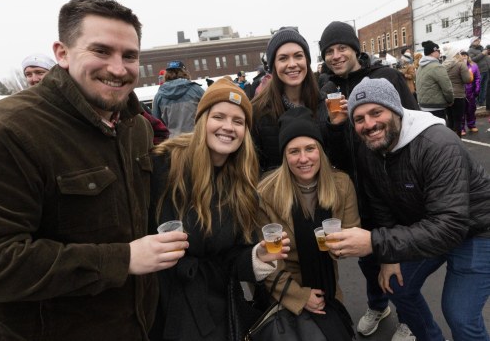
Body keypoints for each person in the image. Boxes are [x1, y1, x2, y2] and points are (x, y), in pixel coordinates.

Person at [0, 0, 190, 340]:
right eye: (101, 51)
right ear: (62, 53)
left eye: (129, 56)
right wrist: (122, 259)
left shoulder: (135, 127)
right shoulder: (8, 131)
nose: (118, 68)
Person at [328, 77, 490, 341]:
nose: (369, 124)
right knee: (395, 285)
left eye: (376, 112)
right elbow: (381, 205)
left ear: (395, 109)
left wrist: (374, 242)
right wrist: (388, 258)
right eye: (359, 119)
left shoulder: (438, 144)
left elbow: (450, 226)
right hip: (429, 226)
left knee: (461, 315)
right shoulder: (370, 149)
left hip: (476, 230)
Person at [148, 77, 290, 341]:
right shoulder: (165, 166)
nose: (228, 127)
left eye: (238, 121)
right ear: (203, 120)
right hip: (164, 305)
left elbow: (231, 258)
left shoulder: (243, 186)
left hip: (215, 308)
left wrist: (256, 256)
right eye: (219, 117)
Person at [318, 20, 418, 340]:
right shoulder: (325, 89)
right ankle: (379, 304)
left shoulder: (384, 77)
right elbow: (331, 150)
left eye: (342, 48)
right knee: (368, 257)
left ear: (355, 49)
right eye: (329, 51)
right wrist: (333, 126)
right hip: (355, 192)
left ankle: (410, 317)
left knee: (400, 255)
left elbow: (412, 123)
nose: (336, 55)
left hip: (391, 185)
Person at [258, 107, 360, 340]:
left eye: (310, 148)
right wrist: (299, 296)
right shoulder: (266, 193)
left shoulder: (342, 184)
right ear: (284, 156)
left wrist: (341, 244)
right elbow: (266, 261)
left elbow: (353, 232)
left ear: (321, 151)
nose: (303, 159)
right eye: (294, 151)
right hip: (284, 290)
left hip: (328, 287)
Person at [251, 26, 347, 174]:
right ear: (273, 66)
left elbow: (338, 161)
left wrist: (337, 127)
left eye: (298, 56)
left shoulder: (325, 105)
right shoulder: (258, 112)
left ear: (307, 61)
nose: (292, 64)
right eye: (283, 58)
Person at [152, 60, 204, 138]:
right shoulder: (197, 90)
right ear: (184, 72)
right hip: (196, 139)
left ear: (166, 75)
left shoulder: (159, 96)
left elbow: (156, 123)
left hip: (172, 143)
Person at [416, 40, 454, 121]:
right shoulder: (437, 67)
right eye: (438, 51)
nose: (440, 53)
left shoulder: (420, 67)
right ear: (433, 52)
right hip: (436, 107)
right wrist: (450, 100)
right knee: (439, 132)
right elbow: (447, 88)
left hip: (423, 106)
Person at [442, 45, 472, 138]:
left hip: (447, 95)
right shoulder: (460, 64)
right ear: (455, 54)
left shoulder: (443, 65)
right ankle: (458, 140)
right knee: (458, 120)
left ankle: (450, 140)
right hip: (458, 95)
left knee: (450, 119)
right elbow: (467, 79)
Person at [460, 51, 481, 136]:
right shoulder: (458, 66)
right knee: (461, 111)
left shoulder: (474, 66)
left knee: (471, 110)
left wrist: (477, 90)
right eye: (462, 56)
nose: (464, 57)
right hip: (460, 93)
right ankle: (461, 128)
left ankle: (471, 125)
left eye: (465, 55)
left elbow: (477, 79)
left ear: (468, 56)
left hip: (471, 92)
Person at [468, 36, 489, 109]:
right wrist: (482, 54)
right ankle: (476, 102)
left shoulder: (482, 48)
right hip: (479, 71)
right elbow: (473, 60)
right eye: (476, 40)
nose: (478, 41)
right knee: (478, 87)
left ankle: (482, 102)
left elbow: (486, 58)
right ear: (473, 42)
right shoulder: (470, 50)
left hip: (486, 70)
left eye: (478, 40)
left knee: (484, 87)